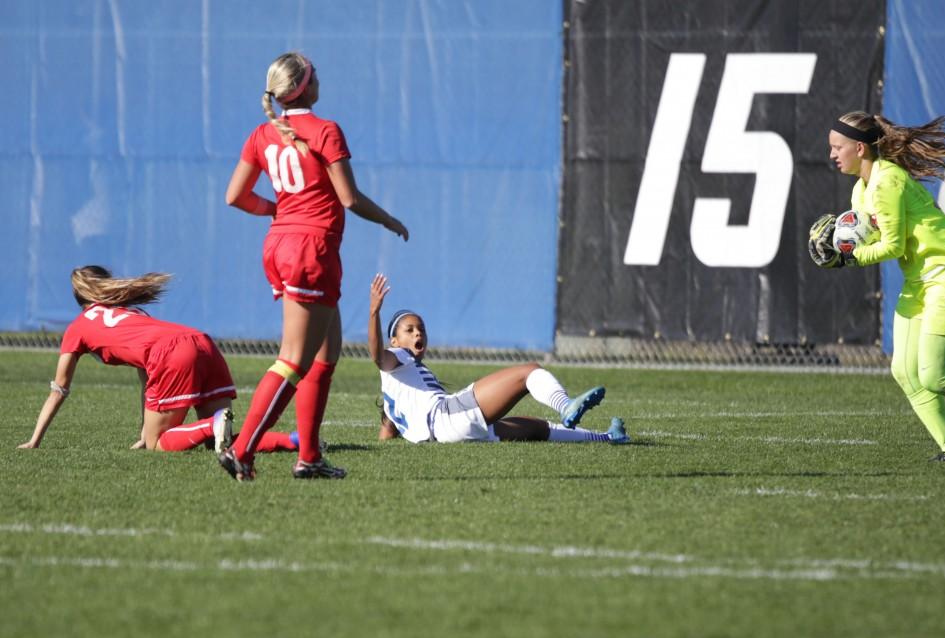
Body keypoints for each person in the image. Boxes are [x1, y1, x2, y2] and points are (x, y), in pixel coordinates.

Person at [221, 52, 409, 481]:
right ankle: (242, 450)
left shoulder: (262, 133)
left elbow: (235, 196)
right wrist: (390, 220)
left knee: (326, 352)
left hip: (282, 244)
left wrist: (279, 210)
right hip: (311, 249)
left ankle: (309, 458)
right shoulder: (325, 130)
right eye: (315, 73)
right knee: (293, 360)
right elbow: (350, 198)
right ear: (305, 87)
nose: (320, 76)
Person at [810, 111, 945, 462]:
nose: (832, 154)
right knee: (904, 370)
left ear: (861, 148)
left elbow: (893, 246)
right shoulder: (861, 190)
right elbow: (872, 237)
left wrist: (850, 257)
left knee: (934, 377)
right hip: (921, 280)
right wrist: (840, 244)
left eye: (838, 147)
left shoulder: (887, 182)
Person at [369, 273, 628, 444]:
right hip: (447, 420)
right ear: (394, 342)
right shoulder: (397, 357)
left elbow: (387, 432)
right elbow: (377, 357)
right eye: (410, 329)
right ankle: (565, 406)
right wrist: (374, 313)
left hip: (446, 433)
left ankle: (607, 437)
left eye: (422, 329)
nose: (418, 333)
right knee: (529, 372)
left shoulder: (396, 385)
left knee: (535, 429)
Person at [18, 266, 237, 453]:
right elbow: (147, 377)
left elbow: (59, 390)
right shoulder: (134, 313)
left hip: (172, 353)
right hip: (203, 341)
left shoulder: (77, 328)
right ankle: (264, 438)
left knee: (156, 443)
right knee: (221, 445)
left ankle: (212, 425)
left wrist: (34, 441)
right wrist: (143, 432)